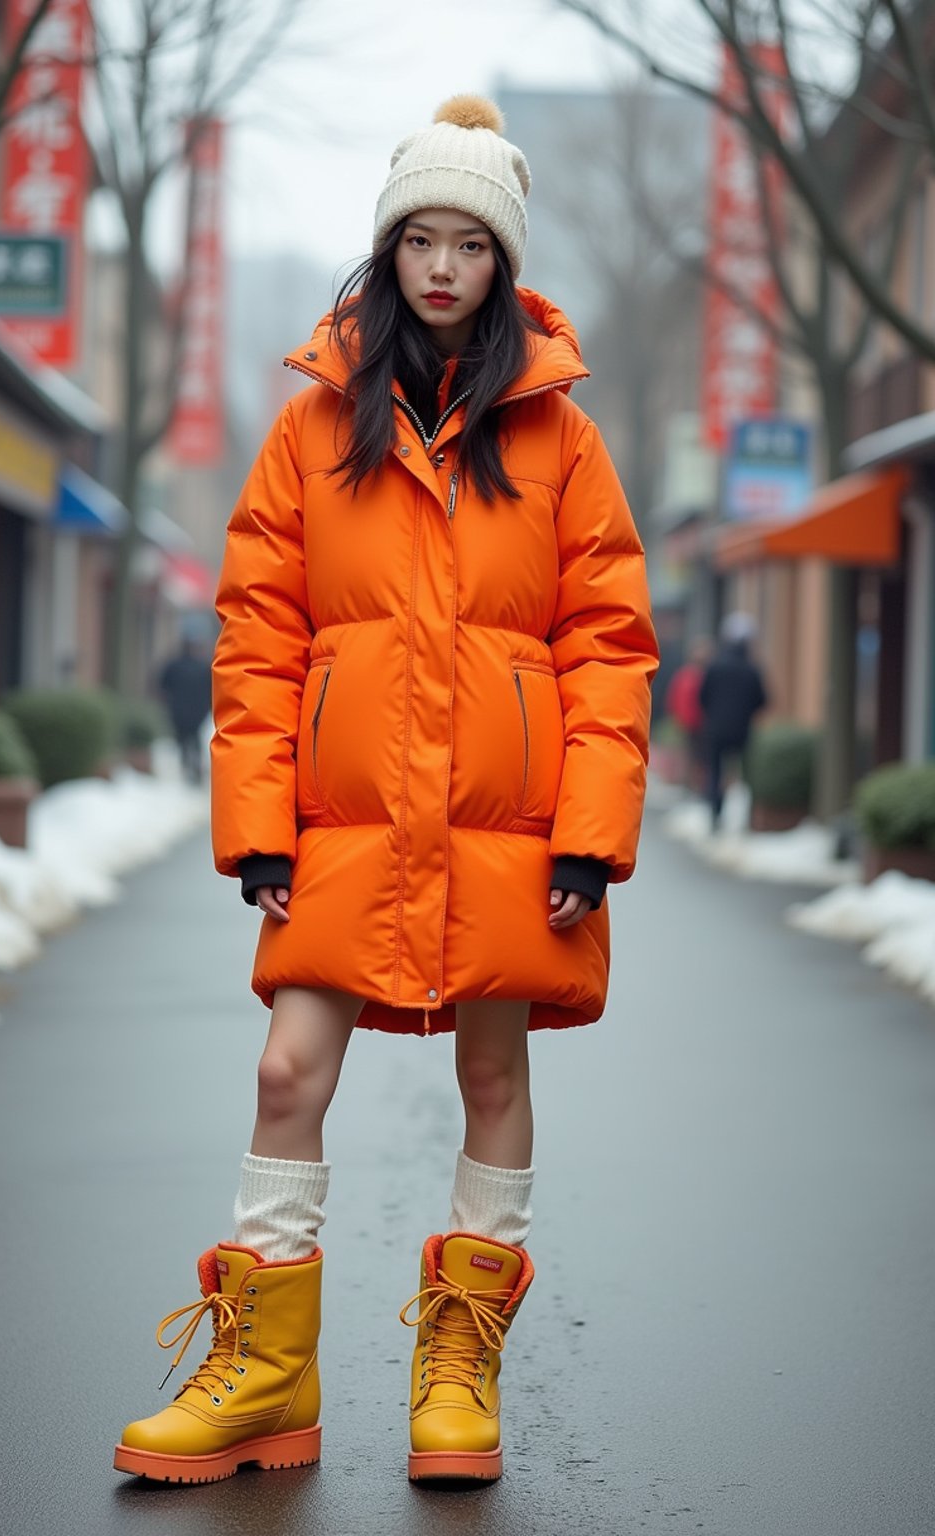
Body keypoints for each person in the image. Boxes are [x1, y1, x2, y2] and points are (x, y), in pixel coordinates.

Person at [114, 95, 658, 1488]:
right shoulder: (309, 430)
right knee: (288, 1067)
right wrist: (256, 821)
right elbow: (258, 635)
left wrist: (592, 834)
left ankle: (459, 1373)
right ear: (385, 249)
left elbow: (606, 644)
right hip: (346, 822)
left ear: (502, 262)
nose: (438, 266)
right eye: (416, 236)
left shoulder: (561, 441)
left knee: (491, 1067)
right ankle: (266, 1379)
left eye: (467, 242)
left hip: (508, 824)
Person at [699, 612, 767, 828]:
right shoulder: (752, 670)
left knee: (716, 772)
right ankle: (748, 819)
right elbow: (762, 700)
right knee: (747, 774)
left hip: (716, 728)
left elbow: (702, 696)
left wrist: (714, 714)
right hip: (742, 730)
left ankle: (715, 815)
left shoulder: (715, 666)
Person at [157, 637, 212, 785]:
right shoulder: (203, 666)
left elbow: (162, 686)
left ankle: (186, 768)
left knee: (182, 740)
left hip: (179, 711)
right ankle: (195, 770)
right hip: (198, 712)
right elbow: (212, 687)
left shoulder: (174, 665)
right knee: (195, 740)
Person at [666, 636, 712, 790]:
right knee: (691, 753)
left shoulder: (702, 676)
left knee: (698, 754)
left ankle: (695, 783)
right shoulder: (688, 675)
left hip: (698, 722)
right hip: (689, 721)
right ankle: (690, 782)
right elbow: (674, 696)